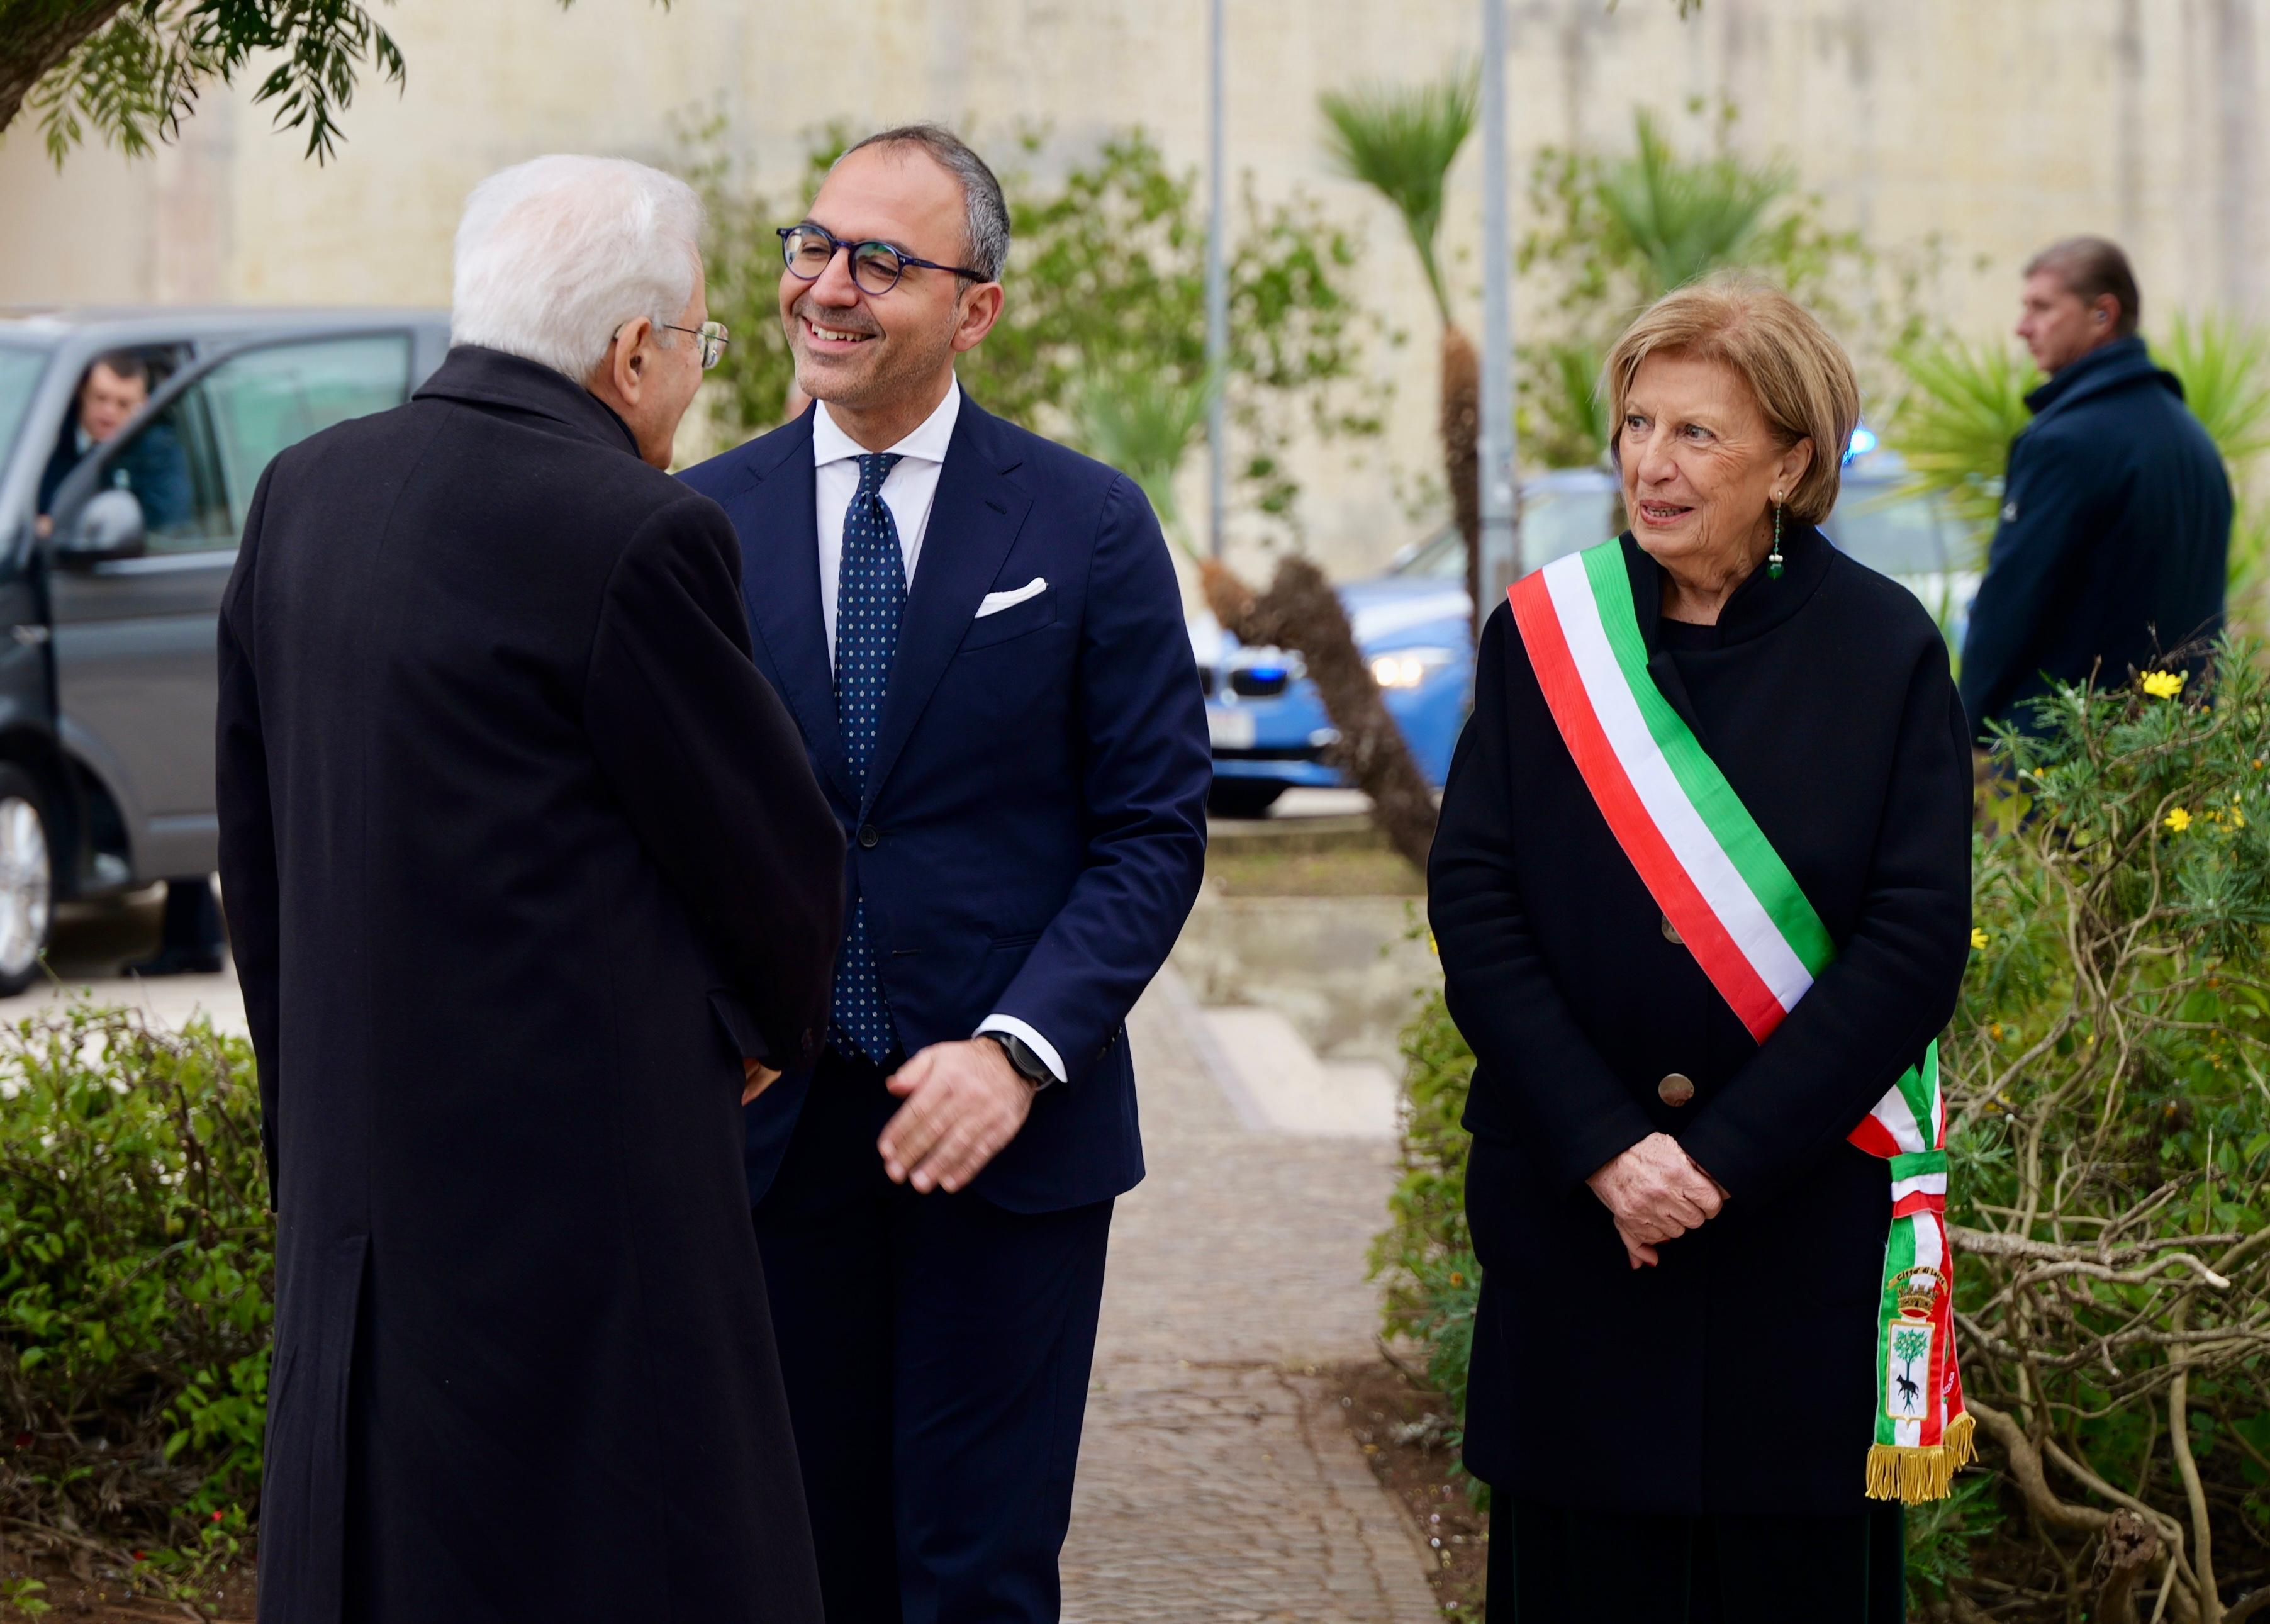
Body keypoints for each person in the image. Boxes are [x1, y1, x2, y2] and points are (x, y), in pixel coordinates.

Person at [216, 155, 843, 1624]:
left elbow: (255, 845)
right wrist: (757, 1024)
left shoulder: (303, 491)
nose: (693, 382)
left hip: (356, 1186)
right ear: (633, 352)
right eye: (697, 345)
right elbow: (771, 858)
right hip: (578, 1218)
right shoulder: (631, 527)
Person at [681, 125, 1210, 1624]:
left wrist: (1017, 1049)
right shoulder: (696, 526)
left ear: (974, 306)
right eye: (811, 246)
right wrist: (710, 1015)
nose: (827, 288)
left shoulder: (1085, 522)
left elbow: (1153, 826)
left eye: (881, 262)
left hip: (1010, 1143)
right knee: (795, 1565)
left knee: (975, 1572)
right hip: (772, 1145)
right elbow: (655, 825)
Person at [1430, 280, 1975, 1623]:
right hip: (1580, 1225)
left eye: (1697, 435)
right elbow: (1477, 906)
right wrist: (1614, 1149)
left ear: (1792, 460)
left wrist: (1715, 1162)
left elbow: (1910, 945)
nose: (1650, 466)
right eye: (1635, 424)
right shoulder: (1545, 636)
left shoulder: (1883, 648)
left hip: (1795, 1231)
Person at [1959, 237, 2231, 736]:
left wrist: (1962, 729)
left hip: (2067, 768)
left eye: (2041, 308)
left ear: (2103, 314)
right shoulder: (2194, 440)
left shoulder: (2066, 443)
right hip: (2177, 755)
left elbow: (2011, 602)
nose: (2023, 328)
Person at [36, 350, 192, 534]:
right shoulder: (45, 436)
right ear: (82, 392)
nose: (109, 412)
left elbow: (167, 528)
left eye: (123, 404)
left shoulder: (158, 451)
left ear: (142, 407)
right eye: (101, 398)